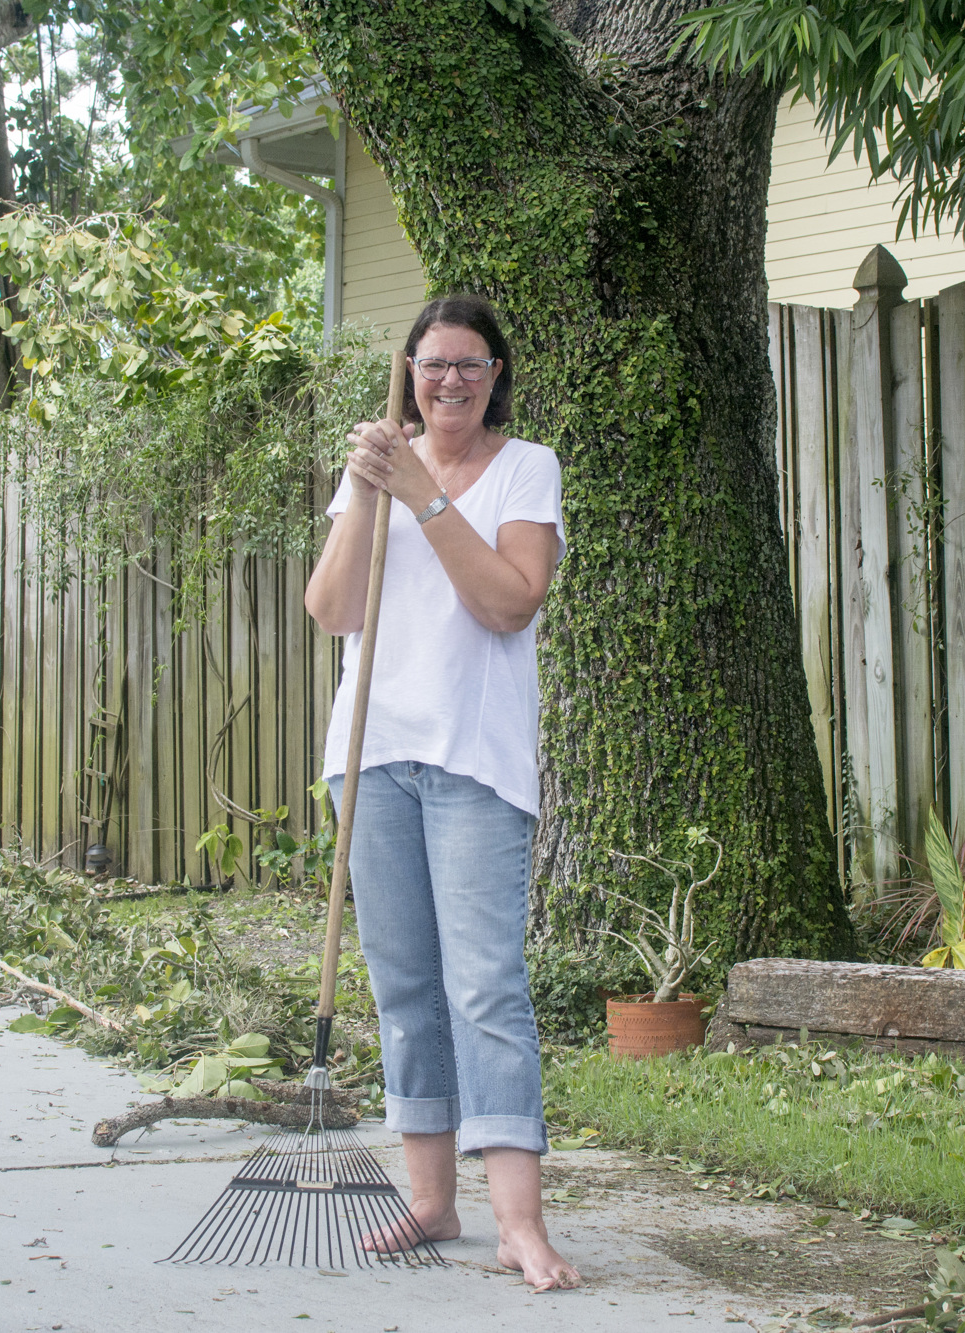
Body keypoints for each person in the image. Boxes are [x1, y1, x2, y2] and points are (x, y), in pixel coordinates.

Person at [304, 294, 580, 1293]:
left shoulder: (523, 467)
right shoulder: (374, 471)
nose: (448, 381)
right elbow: (331, 609)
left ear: (495, 374)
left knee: (485, 990)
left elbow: (510, 603)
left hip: (472, 760)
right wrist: (368, 490)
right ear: (408, 370)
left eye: (468, 365)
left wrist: (423, 493)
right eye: (431, 364)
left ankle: (519, 1224)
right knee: (407, 989)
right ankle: (430, 1201)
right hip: (372, 753)